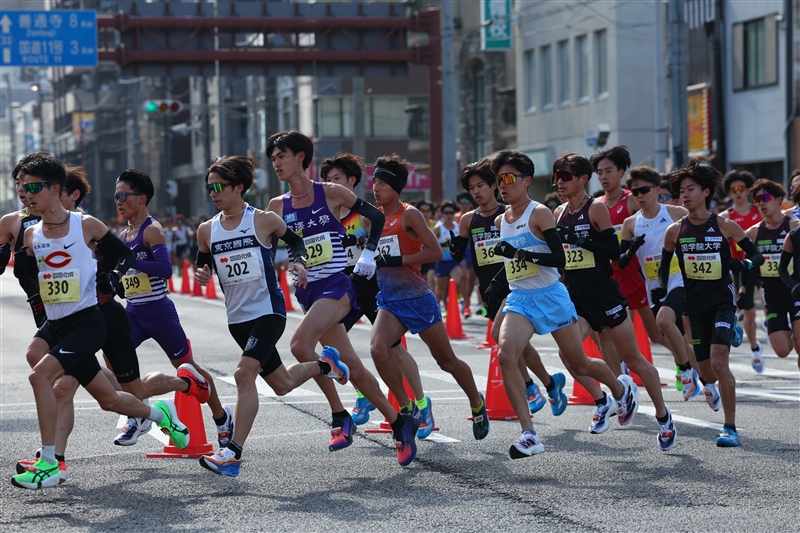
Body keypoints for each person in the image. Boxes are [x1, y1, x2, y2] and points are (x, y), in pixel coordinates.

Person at [16, 164, 211, 481]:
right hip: (59, 322)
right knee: (106, 397)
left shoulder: (86, 226)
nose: (26, 194)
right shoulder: (31, 232)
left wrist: (113, 278)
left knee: (60, 381)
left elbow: (126, 258)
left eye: (33, 187)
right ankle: (159, 414)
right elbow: (27, 269)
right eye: (23, 187)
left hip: (96, 319)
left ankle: (52, 461)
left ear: (62, 192)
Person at [266, 131, 418, 465]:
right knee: (356, 369)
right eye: (273, 158)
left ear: (301, 158)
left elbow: (376, 217)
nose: (276, 163)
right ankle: (399, 422)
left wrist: (369, 253)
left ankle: (339, 415)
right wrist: (294, 264)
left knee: (300, 346)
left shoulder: (331, 192)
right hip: (308, 292)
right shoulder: (277, 206)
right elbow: (281, 247)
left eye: (281, 156)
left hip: (337, 286)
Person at [192, 155, 349, 477]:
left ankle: (232, 453)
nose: (213, 193)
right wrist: (202, 274)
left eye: (219, 187)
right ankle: (326, 365)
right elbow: (202, 262)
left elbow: (296, 242)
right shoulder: (206, 230)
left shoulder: (263, 221)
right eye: (209, 188)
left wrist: (299, 262)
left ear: (239, 187)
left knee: (243, 374)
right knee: (282, 384)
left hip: (268, 311)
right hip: (237, 319)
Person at [484, 150, 632, 456]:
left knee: (579, 363)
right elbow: (511, 261)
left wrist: (519, 254)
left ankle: (620, 389)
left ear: (526, 181)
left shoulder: (539, 213)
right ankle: (529, 435)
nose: (502, 185)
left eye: (508, 178)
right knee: (506, 355)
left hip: (551, 295)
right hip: (521, 299)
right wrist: (498, 283)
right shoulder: (500, 220)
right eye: (498, 179)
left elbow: (558, 259)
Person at [365, 153, 491, 458]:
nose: (376, 188)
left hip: (417, 299)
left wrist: (398, 259)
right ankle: (407, 409)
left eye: (382, 183)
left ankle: (476, 402)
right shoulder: (372, 218)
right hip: (389, 299)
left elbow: (435, 252)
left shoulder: (409, 215)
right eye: (374, 182)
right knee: (378, 350)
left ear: (396, 187)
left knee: (447, 361)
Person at [553, 152, 676, 450]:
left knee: (633, 359)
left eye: (566, 176)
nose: (559, 182)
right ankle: (607, 398)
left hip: (604, 292)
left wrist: (581, 240)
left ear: (583, 179)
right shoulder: (558, 213)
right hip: (576, 295)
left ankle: (663, 417)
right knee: (569, 355)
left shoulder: (595, 208)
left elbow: (613, 251)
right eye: (557, 177)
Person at [114, 169, 233, 447]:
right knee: (115, 356)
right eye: (116, 196)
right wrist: (117, 282)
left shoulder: (152, 229)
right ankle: (138, 413)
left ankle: (221, 417)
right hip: (133, 311)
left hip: (159, 313)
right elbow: (128, 275)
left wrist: (132, 261)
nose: (118, 202)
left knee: (187, 367)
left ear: (142, 198)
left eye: (123, 195)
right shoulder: (123, 235)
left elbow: (166, 270)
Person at [320, 151, 433, 437]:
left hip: (372, 287)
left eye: (336, 178)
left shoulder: (366, 213)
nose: (331, 184)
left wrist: (361, 242)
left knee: (394, 350)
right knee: (332, 345)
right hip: (342, 287)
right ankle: (363, 394)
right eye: (327, 180)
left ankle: (422, 404)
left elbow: (382, 243)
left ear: (352, 181)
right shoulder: (323, 217)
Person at [448, 159, 567, 417]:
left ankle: (531, 387)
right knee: (514, 345)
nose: (476, 192)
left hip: (517, 284)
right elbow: (458, 255)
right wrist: (454, 247)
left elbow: (543, 249)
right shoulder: (469, 219)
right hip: (491, 287)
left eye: (481, 185)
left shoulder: (511, 213)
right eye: (471, 188)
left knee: (504, 340)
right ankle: (548, 383)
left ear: (493, 186)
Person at [658, 157, 764, 447]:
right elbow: (665, 267)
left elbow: (757, 256)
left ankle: (730, 428)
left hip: (721, 301)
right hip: (694, 305)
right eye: (681, 191)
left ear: (705, 192)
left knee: (719, 361)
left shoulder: (725, 226)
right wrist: (661, 289)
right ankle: (730, 333)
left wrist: (744, 265)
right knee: (707, 373)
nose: (685, 195)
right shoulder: (674, 231)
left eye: (690, 189)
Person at [617, 166, 721, 408]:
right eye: (635, 192)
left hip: (680, 279)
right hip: (655, 286)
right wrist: (631, 250)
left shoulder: (676, 213)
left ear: (656, 189)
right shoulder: (630, 224)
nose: (640, 196)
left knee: (664, 321)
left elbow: (702, 237)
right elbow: (621, 262)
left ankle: (684, 370)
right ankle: (708, 383)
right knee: (677, 340)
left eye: (644, 190)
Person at [591, 147, 664, 366]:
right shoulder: (597, 206)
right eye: (600, 172)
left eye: (609, 171)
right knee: (609, 332)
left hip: (636, 275)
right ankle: (622, 377)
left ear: (621, 172)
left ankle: (686, 364)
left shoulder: (632, 200)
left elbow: (656, 221)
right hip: (609, 277)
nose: (604, 176)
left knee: (656, 334)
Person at [744, 179, 800, 368]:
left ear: (778, 200)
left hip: (796, 290)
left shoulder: (794, 227)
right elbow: (748, 267)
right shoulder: (753, 233)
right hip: (772, 294)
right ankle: (777, 325)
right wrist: (743, 291)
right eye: (757, 200)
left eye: (765, 198)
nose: (761, 203)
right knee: (782, 350)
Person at [720, 170, 763, 369]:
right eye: (733, 189)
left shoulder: (759, 211)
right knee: (748, 311)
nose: (738, 192)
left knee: (765, 301)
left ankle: (770, 323)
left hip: (761, 263)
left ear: (747, 190)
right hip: (740, 268)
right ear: (729, 192)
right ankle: (755, 349)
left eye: (741, 188)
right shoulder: (726, 217)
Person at [1, 153, 46, 327]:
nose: (21, 188)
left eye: (26, 182)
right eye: (17, 183)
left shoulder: (71, 217)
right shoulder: (10, 221)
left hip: (75, 298)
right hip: (37, 299)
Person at [433, 200, 463, 313]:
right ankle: (437, 310)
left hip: (454, 261)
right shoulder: (438, 228)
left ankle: (458, 300)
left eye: (452, 213)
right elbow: (430, 244)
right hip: (441, 262)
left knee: (458, 281)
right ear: (442, 214)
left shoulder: (458, 227)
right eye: (447, 212)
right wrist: (443, 244)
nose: (449, 215)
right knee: (441, 290)